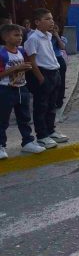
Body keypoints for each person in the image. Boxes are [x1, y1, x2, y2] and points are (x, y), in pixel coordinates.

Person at [24, 8, 69, 149]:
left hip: (54, 72)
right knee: (41, 106)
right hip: (43, 74)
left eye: (52, 18)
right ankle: (42, 135)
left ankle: (51, 131)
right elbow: (32, 61)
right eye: (47, 19)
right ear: (37, 22)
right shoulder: (33, 39)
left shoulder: (48, 36)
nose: (51, 21)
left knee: (52, 105)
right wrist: (41, 78)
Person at [0, 24, 46, 159]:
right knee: (2, 119)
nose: (20, 38)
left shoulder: (21, 51)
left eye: (21, 35)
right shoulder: (2, 54)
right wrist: (16, 68)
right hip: (6, 89)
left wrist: (26, 68)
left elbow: (26, 65)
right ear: (5, 37)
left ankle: (28, 142)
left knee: (24, 117)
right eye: (16, 35)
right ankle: (1, 145)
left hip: (22, 88)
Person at [51, 24, 69, 108]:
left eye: (56, 28)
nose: (54, 30)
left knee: (61, 81)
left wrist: (57, 37)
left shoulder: (62, 39)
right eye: (52, 28)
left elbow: (62, 47)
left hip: (58, 59)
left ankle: (59, 100)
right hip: (50, 60)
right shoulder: (47, 39)